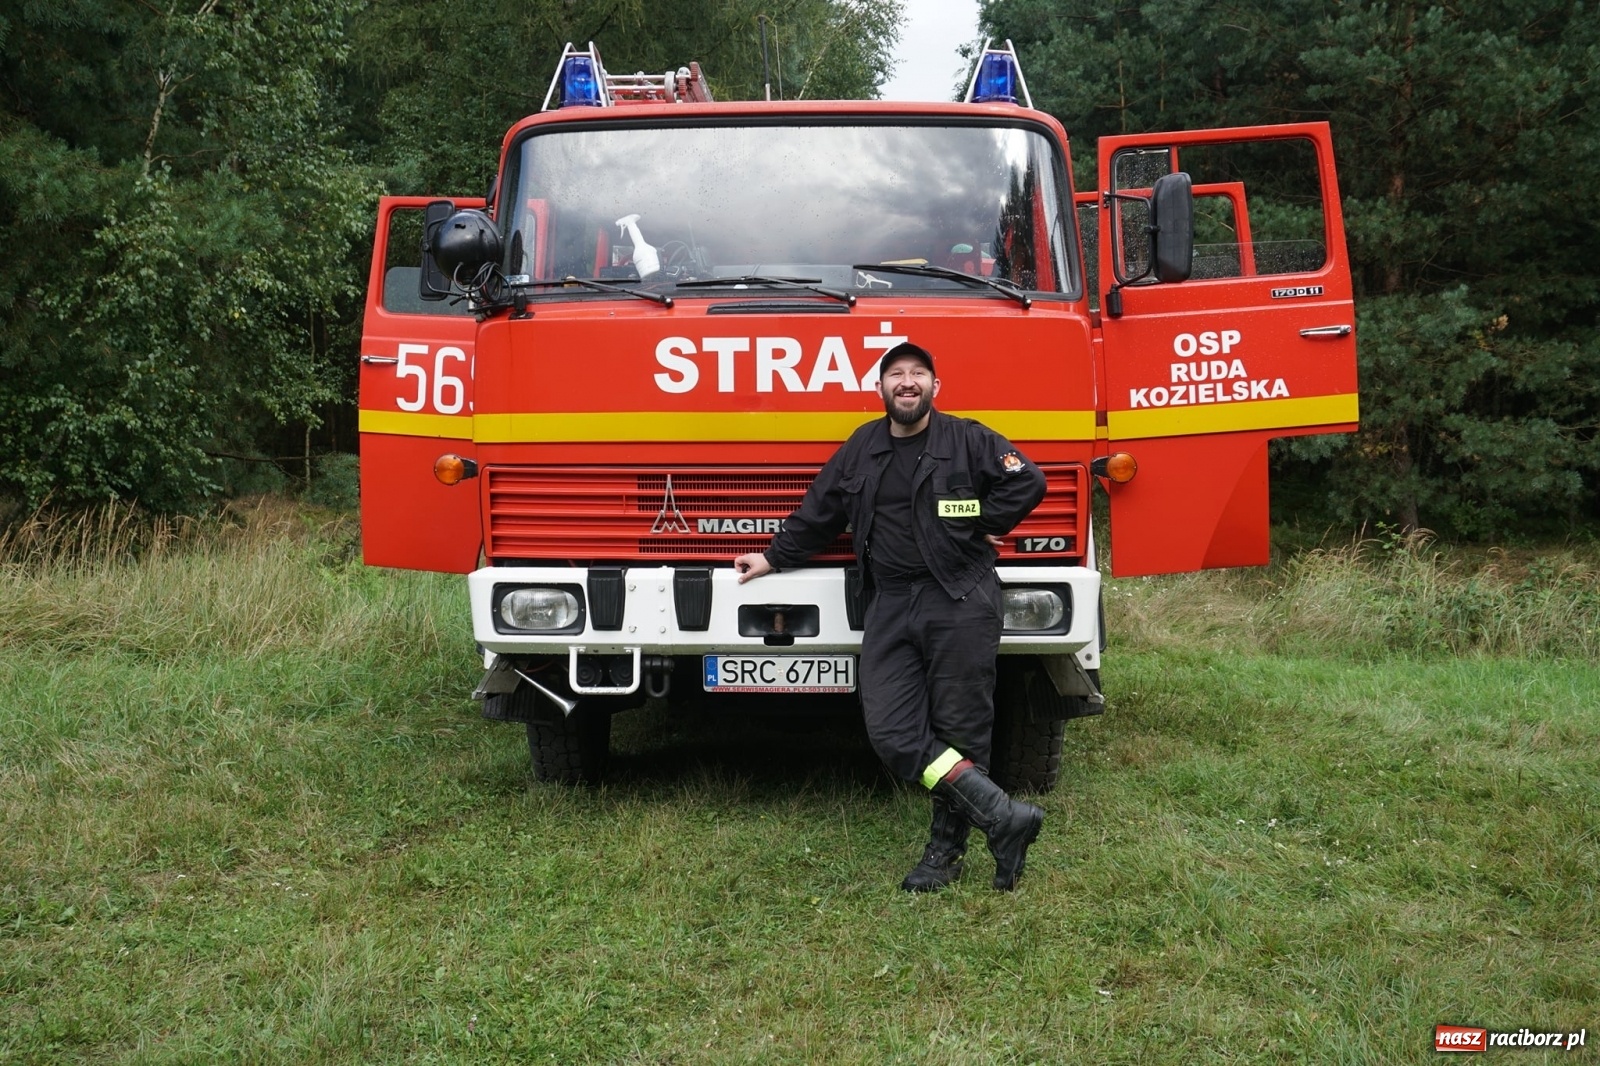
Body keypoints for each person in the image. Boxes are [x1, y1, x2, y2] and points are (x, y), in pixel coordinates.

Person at [734, 342, 1048, 891]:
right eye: (896, 375)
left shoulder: (969, 439)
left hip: (958, 598)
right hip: (889, 601)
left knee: (961, 728)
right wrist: (772, 555)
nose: (907, 382)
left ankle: (944, 855)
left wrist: (977, 519)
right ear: (879, 389)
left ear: (934, 386)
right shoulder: (862, 446)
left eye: (918, 374)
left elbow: (1028, 482)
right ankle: (1003, 816)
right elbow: (821, 510)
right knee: (892, 731)